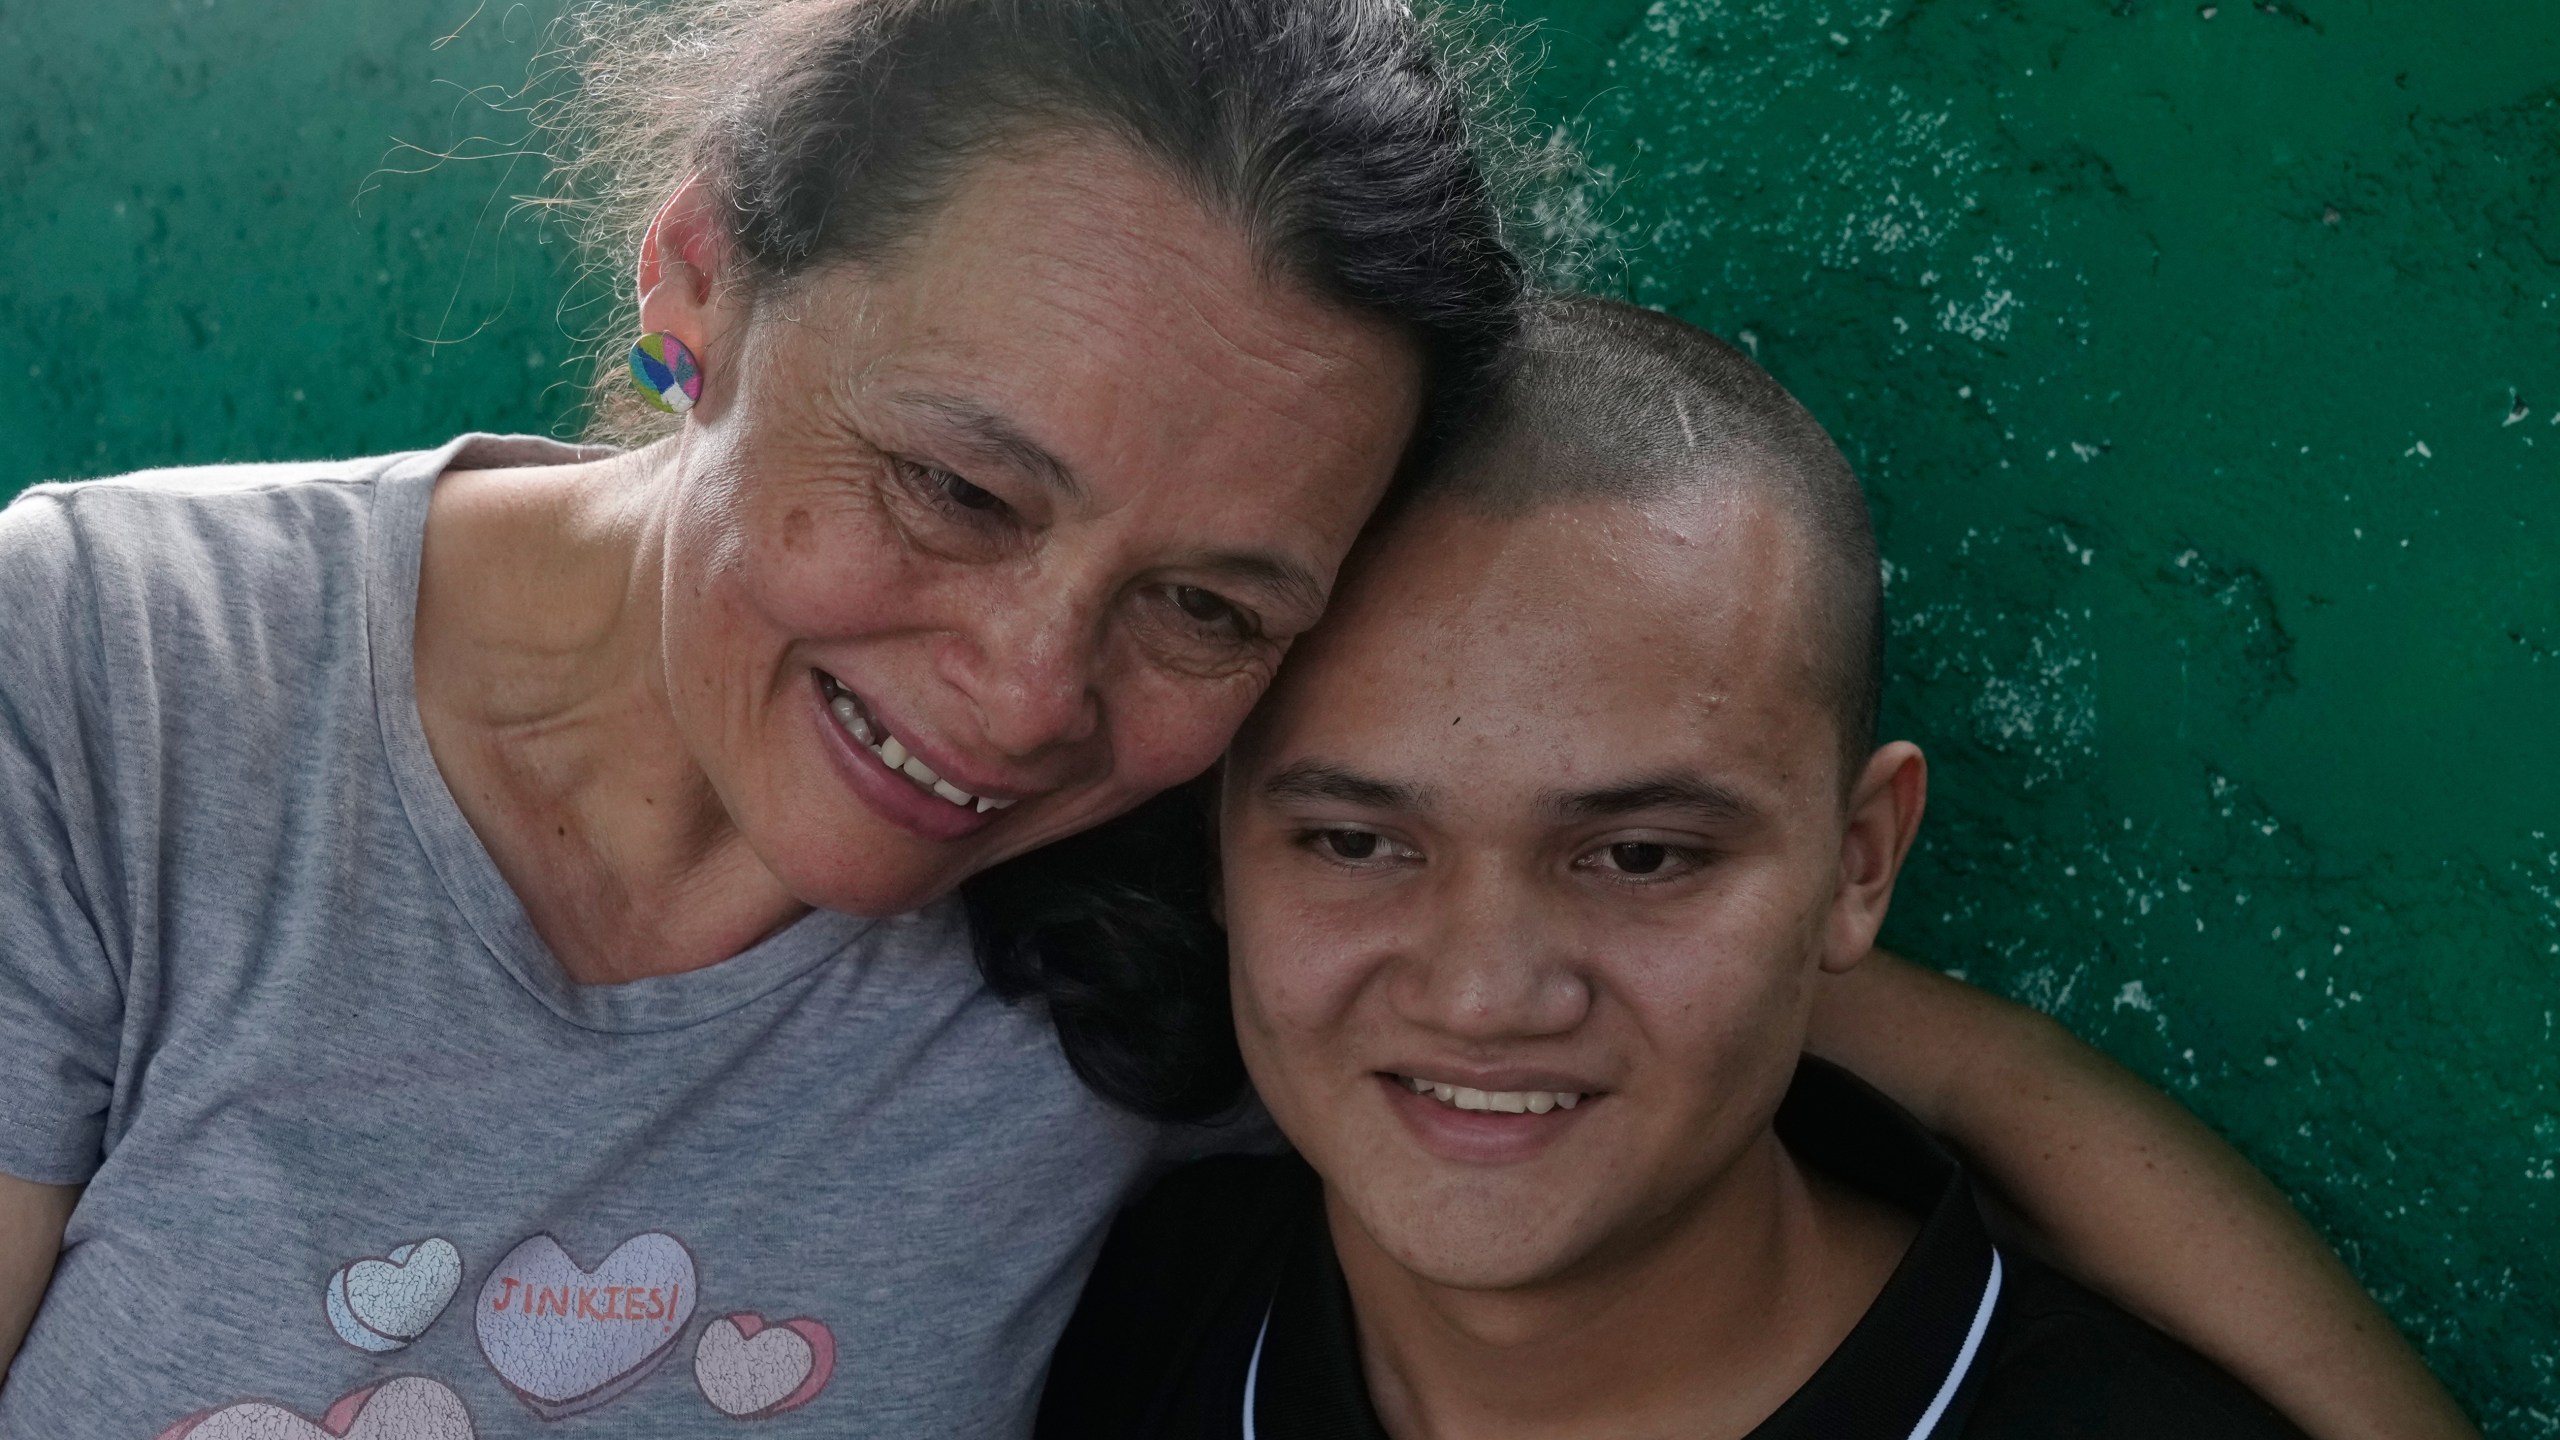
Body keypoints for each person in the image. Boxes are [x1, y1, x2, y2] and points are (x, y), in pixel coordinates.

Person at [0, 2, 2466, 1436]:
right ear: (697, 283)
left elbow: (1850, 1022)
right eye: (958, 486)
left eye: (1206, 601)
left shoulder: (1155, 886)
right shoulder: (113, 678)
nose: (1023, 695)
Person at [1035, 296, 2477, 1439]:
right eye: (1354, 842)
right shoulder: (1124, 1318)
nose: (1482, 992)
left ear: (1859, 865)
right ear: (1214, 843)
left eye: (1642, 855)